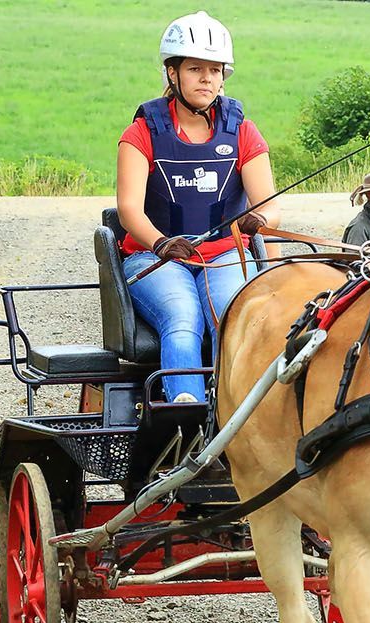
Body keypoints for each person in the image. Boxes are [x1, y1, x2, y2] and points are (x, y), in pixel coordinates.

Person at [115, 10, 279, 404]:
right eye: (195, 68)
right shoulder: (141, 133)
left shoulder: (241, 130)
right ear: (173, 73)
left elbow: (271, 210)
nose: (207, 78)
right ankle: (186, 415)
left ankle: (244, 413)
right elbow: (128, 210)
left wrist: (259, 220)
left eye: (215, 69)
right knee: (183, 319)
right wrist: (160, 244)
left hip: (222, 255)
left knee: (233, 318)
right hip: (155, 260)